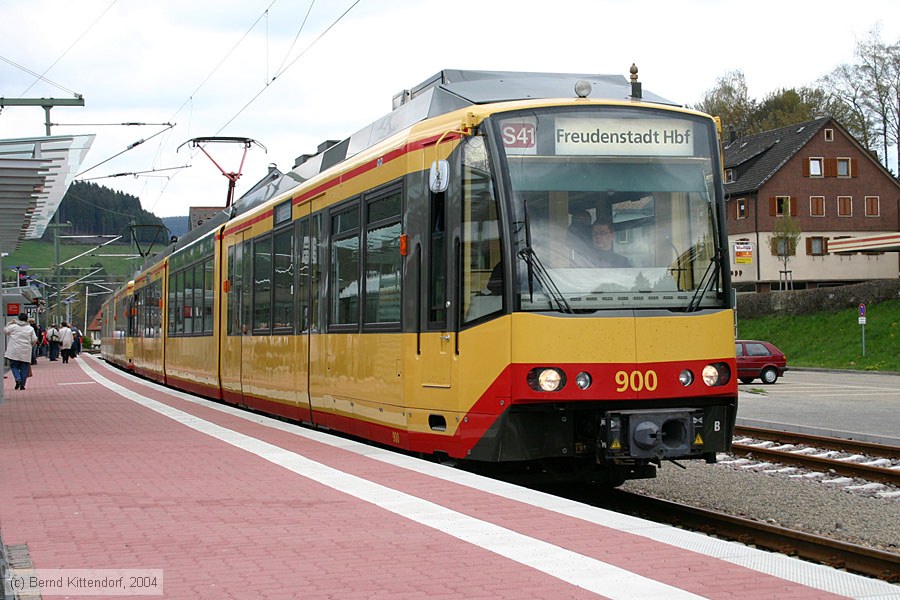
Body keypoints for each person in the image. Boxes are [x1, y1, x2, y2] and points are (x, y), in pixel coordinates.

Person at [5, 313, 38, 390]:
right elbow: (34, 339)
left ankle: (17, 378)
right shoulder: (30, 328)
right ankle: (22, 385)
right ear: (27, 319)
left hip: (14, 351)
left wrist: (10, 323)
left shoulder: (13, 327)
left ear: (18, 319)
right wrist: (31, 345)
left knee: (14, 366)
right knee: (24, 368)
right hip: (25, 351)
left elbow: (5, 330)